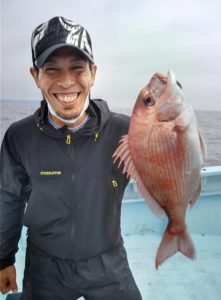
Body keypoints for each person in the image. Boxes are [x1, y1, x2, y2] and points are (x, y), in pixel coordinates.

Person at [0, 16, 142, 300]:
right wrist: (4, 257)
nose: (66, 82)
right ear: (35, 75)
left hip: (107, 262)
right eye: (51, 69)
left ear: (93, 72)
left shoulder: (128, 131)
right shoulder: (19, 136)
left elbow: (166, 172)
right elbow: (8, 198)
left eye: (77, 69)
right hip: (44, 267)